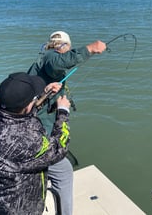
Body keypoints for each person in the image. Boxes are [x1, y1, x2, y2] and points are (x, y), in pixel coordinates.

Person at [27, 31, 106, 215]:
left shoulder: (43, 62)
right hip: (38, 132)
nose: (68, 51)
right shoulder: (50, 57)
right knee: (63, 170)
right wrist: (91, 49)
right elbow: (60, 62)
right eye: (67, 48)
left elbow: (37, 98)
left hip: (36, 118)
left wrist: (51, 99)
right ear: (61, 46)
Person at [0, 72, 71, 215]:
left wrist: (45, 95)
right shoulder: (27, 139)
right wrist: (63, 111)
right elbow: (59, 148)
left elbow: (22, 113)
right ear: (26, 106)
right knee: (64, 169)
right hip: (20, 209)